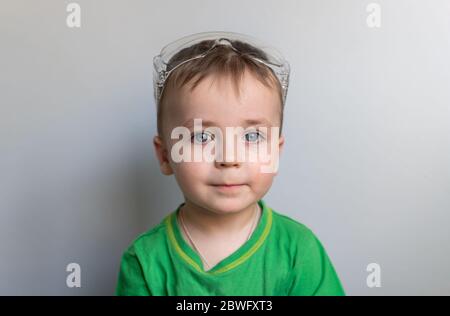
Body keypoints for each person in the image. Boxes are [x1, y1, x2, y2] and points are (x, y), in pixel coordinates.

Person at [115, 31, 345, 296]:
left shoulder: (299, 252)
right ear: (165, 156)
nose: (229, 158)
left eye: (252, 136)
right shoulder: (144, 260)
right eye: (202, 136)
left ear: (275, 152)